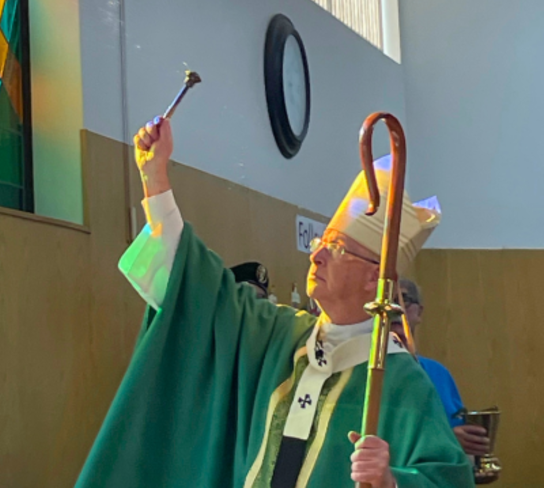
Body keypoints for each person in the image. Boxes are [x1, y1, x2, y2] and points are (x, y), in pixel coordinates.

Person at [75, 116, 473, 488]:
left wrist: (392, 480)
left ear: (375, 277)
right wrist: (155, 177)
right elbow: (199, 290)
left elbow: (448, 477)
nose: (316, 255)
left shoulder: (401, 382)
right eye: (320, 242)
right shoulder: (278, 336)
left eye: (336, 248)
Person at [391, 278, 491, 457]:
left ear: (419, 312)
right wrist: (446, 442)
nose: (395, 309)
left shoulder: (439, 374)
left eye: (403, 300)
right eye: (387, 301)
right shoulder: (365, 372)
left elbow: (458, 432)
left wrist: (471, 445)